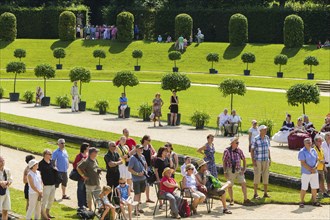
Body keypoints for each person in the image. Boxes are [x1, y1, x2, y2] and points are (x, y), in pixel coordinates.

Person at [223, 137, 254, 206]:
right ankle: (231, 200)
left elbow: (244, 159)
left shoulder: (239, 150)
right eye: (237, 142)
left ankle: (245, 199)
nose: (238, 144)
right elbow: (224, 162)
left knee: (244, 183)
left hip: (238, 169)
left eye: (238, 142)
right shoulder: (227, 151)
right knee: (230, 185)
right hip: (230, 170)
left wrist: (244, 169)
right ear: (232, 143)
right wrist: (225, 172)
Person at [298, 138, 322, 208]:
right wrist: (310, 169)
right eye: (308, 142)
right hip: (306, 173)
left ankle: (314, 201)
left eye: (310, 142)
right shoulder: (302, 151)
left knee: (314, 187)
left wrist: (315, 167)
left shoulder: (313, 150)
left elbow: (317, 160)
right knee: (304, 187)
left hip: (314, 172)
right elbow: (303, 163)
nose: (309, 144)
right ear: (304, 144)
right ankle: (302, 201)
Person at [251, 125, 271, 199]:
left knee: (266, 175)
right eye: (264, 129)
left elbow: (268, 149)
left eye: (266, 129)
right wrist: (253, 160)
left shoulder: (267, 138)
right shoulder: (256, 139)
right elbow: (252, 150)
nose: (266, 131)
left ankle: (265, 193)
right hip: (258, 159)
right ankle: (255, 193)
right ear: (260, 130)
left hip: (265, 159)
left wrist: (270, 158)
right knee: (257, 175)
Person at [128, 144, 147, 216]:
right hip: (136, 179)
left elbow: (145, 165)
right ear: (136, 149)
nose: (141, 149)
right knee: (137, 194)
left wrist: (145, 171)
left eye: (142, 148)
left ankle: (138, 208)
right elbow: (129, 169)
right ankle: (135, 210)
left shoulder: (143, 156)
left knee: (140, 194)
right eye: (140, 148)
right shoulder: (133, 158)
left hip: (143, 178)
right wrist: (137, 174)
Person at [38, 149, 56, 219]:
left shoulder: (51, 162)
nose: (51, 155)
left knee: (51, 200)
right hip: (46, 185)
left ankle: (47, 213)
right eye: (50, 154)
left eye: (51, 154)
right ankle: (43, 215)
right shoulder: (41, 164)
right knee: (44, 201)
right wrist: (41, 185)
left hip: (53, 184)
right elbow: (39, 175)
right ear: (45, 155)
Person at [73, 143, 89, 209]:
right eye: (88, 147)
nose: (89, 148)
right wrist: (80, 161)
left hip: (87, 176)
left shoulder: (88, 155)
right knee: (80, 189)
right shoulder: (79, 156)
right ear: (84, 148)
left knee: (86, 190)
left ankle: (85, 203)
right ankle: (80, 204)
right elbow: (74, 165)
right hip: (81, 176)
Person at [140, 135, 156, 203]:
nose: (149, 142)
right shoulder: (140, 147)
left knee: (148, 183)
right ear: (145, 140)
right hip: (142, 167)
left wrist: (153, 155)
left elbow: (155, 152)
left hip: (149, 166)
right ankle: (139, 199)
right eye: (149, 140)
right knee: (141, 183)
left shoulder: (149, 146)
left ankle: (147, 198)